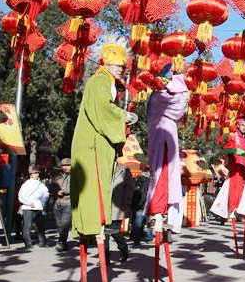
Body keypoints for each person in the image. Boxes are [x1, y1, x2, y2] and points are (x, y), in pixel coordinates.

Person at [70, 41, 137, 242]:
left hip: (97, 142)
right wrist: (123, 115)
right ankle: (91, 226)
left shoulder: (105, 82)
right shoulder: (100, 81)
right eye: (118, 66)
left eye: (123, 67)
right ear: (107, 64)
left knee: (96, 184)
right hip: (93, 143)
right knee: (92, 184)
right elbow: (102, 109)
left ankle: (92, 225)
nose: (121, 70)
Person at [143, 64, 189, 233]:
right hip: (162, 138)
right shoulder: (160, 96)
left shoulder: (158, 96)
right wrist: (184, 94)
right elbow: (177, 108)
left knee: (164, 174)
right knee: (163, 174)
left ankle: (161, 211)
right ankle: (158, 210)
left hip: (163, 137)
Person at [210, 116, 245, 220]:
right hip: (236, 167)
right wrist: (225, 165)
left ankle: (239, 211)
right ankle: (232, 211)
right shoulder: (233, 137)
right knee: (234, 189)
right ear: (238, 125)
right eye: (242, 125)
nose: (244, 128)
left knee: (243, 189)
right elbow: (226, 151)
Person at [106, 162, 135, 262]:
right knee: (104, 234)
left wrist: (126, 202)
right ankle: (105, 258)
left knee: (115, 232)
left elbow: (130, 188)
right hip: (104, 207)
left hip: (118, 206)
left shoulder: (124, 170)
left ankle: (123, 249)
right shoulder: (103, 167)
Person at [18, 165, 49, 250]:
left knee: (40, 226)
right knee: (27, 226)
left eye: (37, 172)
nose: (36, 174)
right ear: (30, 174)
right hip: (28, 207)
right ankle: (28, 244)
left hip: (38, 206)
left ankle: (42, 242)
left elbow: (46, 194)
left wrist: (41, 203)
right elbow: (20, 196)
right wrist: (28, 203)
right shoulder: (26, 184)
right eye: (34, 173)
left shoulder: (41, 184)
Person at [49, 158, 72, 252]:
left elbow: (76, 188)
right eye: (63, 165)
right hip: (57, 203)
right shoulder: (57, 176)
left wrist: (64, 191)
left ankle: (61, 242)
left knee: (65, 223)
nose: (65, 167)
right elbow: (52, 188)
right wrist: (55, 192)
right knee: (59, 225)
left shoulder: (75, 176)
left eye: (67, 165)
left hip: (68, 203)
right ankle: (64, 242)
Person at [130, 162, 150, 246]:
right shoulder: (146, 180)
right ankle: (137, 239)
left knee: (137, 221)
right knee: (139, 222)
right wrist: (141, 204)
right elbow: (144, 193)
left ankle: (135, 237)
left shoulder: (138, 178)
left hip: (137, 203)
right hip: (142, 204)